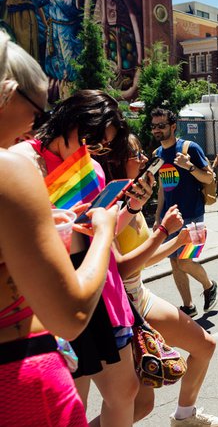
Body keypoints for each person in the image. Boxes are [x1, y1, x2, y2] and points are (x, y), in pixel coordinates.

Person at [0, 32, 117, 426]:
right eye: (37, 109)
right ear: (8, 93)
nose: (38, 123)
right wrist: (102, 230)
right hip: (20, 381)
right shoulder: (12, 167)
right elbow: (71, 314)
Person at [12, 88, 148, 424]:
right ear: (72, 119)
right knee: (74, 398)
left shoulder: (93, 170)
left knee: (127, 391)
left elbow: (103, 234)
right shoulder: (21, 163)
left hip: (98, 287)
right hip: (51, 293)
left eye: (101, 146)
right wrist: (60, 225)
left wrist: (131, 207)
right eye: (91, 139)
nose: (91, 150)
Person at [112, 134, 218, 426]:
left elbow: (144, 260)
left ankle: (184, 416)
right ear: (117, 160)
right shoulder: (112, 202)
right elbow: (122, 269)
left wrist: (178, 241)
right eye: (135, 154)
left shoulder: (134, 196)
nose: (143, 160)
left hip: (139, 295)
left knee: (204, 346)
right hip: (123, 307)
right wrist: (163, 231)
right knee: (137, 404)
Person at [152, 108, 218, 319]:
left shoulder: (190, 148)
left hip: (193, 215)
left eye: (161, 125)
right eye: (154, 126)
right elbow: (163, 188)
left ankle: (209, 285)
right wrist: (157, 217)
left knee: (184, 260)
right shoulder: (158, 155)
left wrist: (189, 167)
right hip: (170, 217)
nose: (157, 130)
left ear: (173, 127)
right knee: (174, 261)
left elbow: (209, 178)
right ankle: (188, 305)